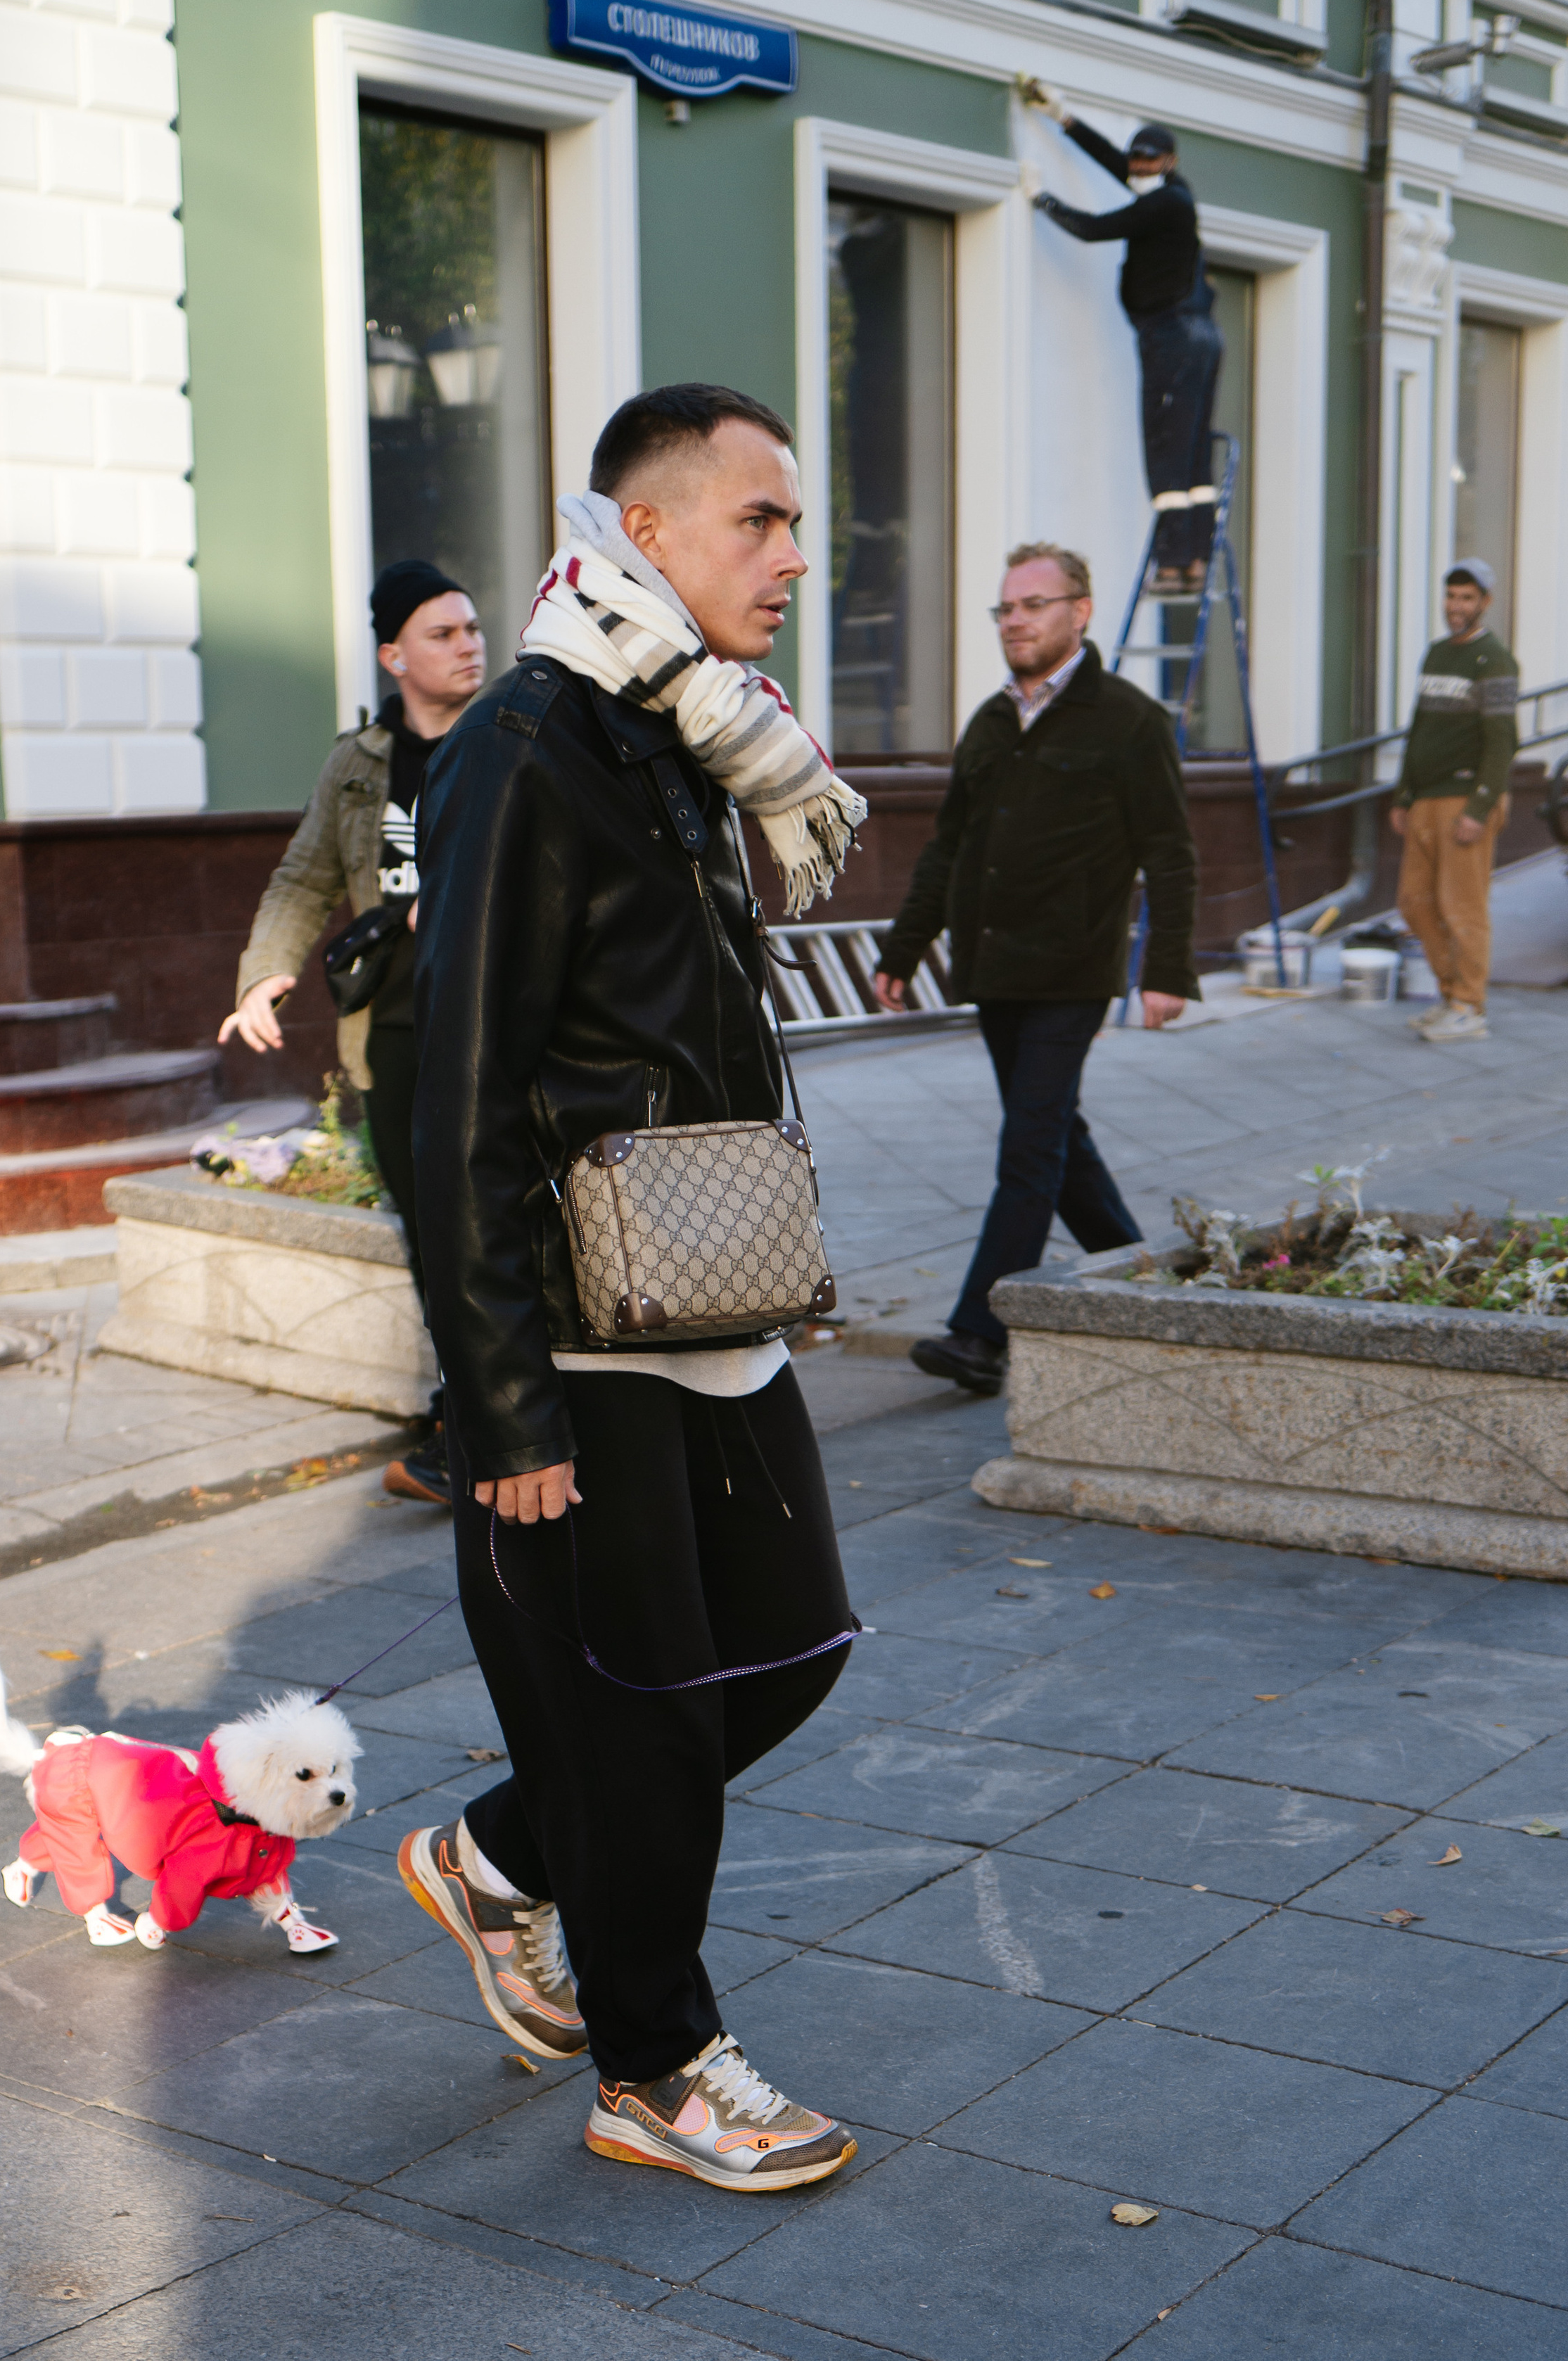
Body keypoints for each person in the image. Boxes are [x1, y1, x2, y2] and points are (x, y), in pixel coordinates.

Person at [400, 384, 869, 2194]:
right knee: (650, 1714)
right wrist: (500, 1400)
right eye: (758, 518)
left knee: (788, 1647)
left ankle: (506, 1859)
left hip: (708, 1293)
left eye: (791, 520)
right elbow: (451, 1100)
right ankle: (655, 2066)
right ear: (647, 532)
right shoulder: (525, 746)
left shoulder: (677, 727)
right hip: (586, 1332)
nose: (791, 553)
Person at [873, 542, 1199, 1395]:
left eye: (1033, 605)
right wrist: (903, 950)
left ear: (1079, 612)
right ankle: (1151, 1286)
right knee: (1058, 1140)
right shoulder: (989, 721)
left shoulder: (1128, 720)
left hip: (1072, 970)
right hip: (994, 968)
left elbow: (1170, 854)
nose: (1015, 621)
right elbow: (949, 849)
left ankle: (981, 1333)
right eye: (1005, 609)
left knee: (1028, 1148)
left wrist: (1165, 970)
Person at [219, 561, 486, 1501]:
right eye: (444, 634)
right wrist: (267, 972)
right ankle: (469, 1414)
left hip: (493, 1027)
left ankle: (487, 1422)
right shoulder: (359, 763)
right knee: (431, 1230)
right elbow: (303, 879)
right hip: (394, 1033)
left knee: (487, 1226)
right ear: (393, 654)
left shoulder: (514, 744)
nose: (469, 645)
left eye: (471, 629)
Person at [1025, 86, 1223, 595]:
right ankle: (1195, 559)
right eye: (1137, 157)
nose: (1138, 165)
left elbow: (1094, 228)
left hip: (1172, 334)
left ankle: (1175, 561)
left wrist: (1041, 198)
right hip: (1197, 333)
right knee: (1193, 450)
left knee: (1165, 445)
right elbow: (1114, 162)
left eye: (1147, 159)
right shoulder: (1168, 193)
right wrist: (1062, 118)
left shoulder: (1164, 204)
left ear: (1169, 161)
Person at [1392, 559, 1519, 1044]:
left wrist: (1479, 806)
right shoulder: (1436, 654)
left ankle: (1470, 1005)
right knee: (1413, 902)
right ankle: (1451, 997)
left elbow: (1502, 740)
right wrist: (1403, 794)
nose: (1457, 607)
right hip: (1425, 799)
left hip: (1464, 801)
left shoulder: (1495, 660)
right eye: (1452, 597)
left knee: (1462, 906)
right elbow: (1419, 728)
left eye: (1468, 598)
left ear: (1485, 603)